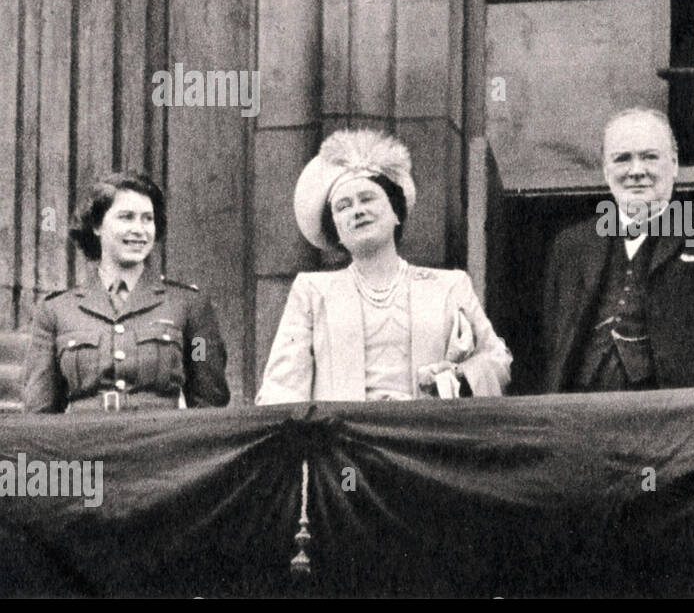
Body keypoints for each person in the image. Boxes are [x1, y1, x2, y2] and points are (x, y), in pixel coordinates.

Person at [540, 107, 694, 392]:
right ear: (606, 170)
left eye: (649, 157)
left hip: (679, 425)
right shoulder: (571, 246)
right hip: (586, 420)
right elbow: (553, 348)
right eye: (622, 159)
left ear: (675, 163)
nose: (636, 171)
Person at [257, 129, 511, 403]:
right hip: (343, 441)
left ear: (395, 212)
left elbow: (497, 361)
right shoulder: (312, 291)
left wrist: (458, 375)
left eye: (367, 198)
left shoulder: (449, 286)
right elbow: (282, 389)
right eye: (343, 206)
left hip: (424, 441)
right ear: (337, 232)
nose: (357, 211)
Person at [23, 172, 230, 413]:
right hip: (85, 447)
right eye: (126, 217)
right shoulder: (56, 311)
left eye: (147, 219)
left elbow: (209, 403)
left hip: (161, 445)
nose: (140, 230)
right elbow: (39, 411)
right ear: (97, 225)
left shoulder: (189, 306)